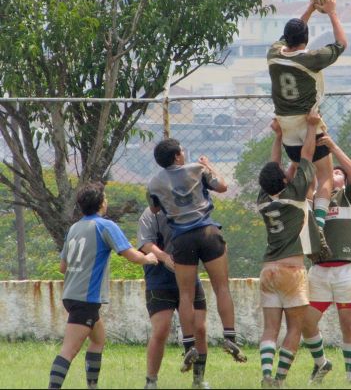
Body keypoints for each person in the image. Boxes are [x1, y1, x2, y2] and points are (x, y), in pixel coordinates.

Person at [147, 140, 246, 373]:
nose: (183, 153)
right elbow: (222, 187)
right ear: (177, 157)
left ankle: (189, 343)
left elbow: (154, 209)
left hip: (181, 239)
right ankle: (230, 336)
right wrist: (208, 165)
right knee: (222, 287)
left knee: (186, 295)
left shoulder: (154, 183)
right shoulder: (197, 169)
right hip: (208, 232)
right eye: (181, 151)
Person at [48, 182, 158, 389]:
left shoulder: (74, 228)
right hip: (85, 298)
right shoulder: (105, 225)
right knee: (69, 350)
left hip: (70, 295)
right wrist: (149, 258)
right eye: (105, 198)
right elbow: (131, 255)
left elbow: (63, 267)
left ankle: (92, 386)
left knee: (98, 340)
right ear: (101, 204)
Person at [267, 0, 348, 235]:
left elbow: (289, 35)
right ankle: (319, 225)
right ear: (307, 37)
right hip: (309, 122)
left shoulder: (272, 54)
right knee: (324, 175)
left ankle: (305, 218)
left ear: (286, 37)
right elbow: (341, 44)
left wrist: (310, 9)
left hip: (287, 127)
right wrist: (331, 12)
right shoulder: (310, 59)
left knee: (305, 177)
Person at [256, 112, 323, 388]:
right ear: (284, 180)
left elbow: (273, 167)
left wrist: (278, 136)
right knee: (295, 328)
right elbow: (307, 156)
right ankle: (281, 379)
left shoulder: (262, 200)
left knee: (270, 328)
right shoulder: (295, 196)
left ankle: (267, 373)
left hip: (267, 271)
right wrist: (310, 127)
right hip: (292, 270)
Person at [301, 133, 351, 386]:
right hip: (319, 269)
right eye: (332, 173)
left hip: (347, 269)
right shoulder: (314, 200)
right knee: (306, 323)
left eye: (337, 173)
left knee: (348, 325)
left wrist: (331, 147)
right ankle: (321, 363)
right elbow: (305, 175)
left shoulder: (350, 200)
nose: (335, 175)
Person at [137, 207, 210, 389]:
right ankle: (151, 381)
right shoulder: (150, 213)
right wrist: (164, 257)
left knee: (199, 328)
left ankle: (198, 380)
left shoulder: (191, 208)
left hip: (189, 276)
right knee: (161, 329)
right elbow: (145, 243)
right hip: (159, 279)